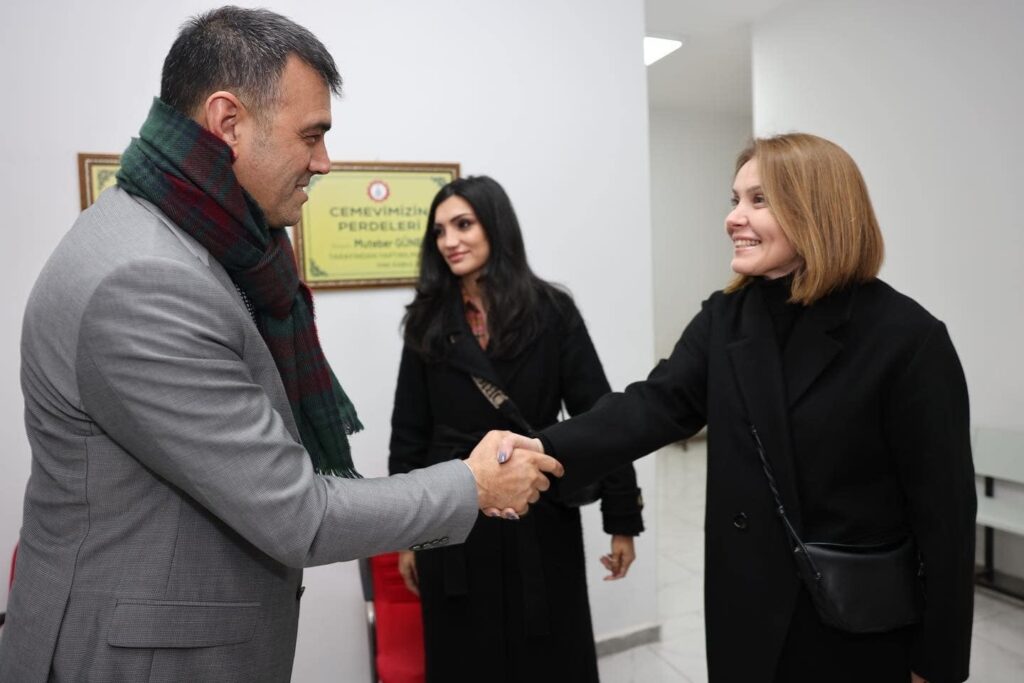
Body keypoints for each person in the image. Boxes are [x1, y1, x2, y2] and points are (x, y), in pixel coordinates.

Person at [0, 8, 560, 682]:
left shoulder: (200, 241)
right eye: (311, 135)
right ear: (228, 122)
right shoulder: (145, 281)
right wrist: (472, 484)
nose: (324, 162)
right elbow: (297, 513)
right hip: (136, 658)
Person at [505, 133, 976, 683]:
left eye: (758, 200)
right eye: (735, 200)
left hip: (853, 625)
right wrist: (541, 447)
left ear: (818, 209)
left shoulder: (906, 338)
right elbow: (654, 405)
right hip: (747, 613)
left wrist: (936, 663)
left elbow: (945, 520)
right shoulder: (726, 318)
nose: (734, 218)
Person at [388, 175, 645, 683]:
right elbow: (409, 432)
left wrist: (622, 519)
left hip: (539, 509)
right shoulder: (427, 321)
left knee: (548, 657)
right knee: (466, 658)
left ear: (495, 226)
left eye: (463, 224)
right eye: (439, 231)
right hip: (454, 515)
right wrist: (407, 535)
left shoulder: (551, 311)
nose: (449, 241)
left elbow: (601, 418)